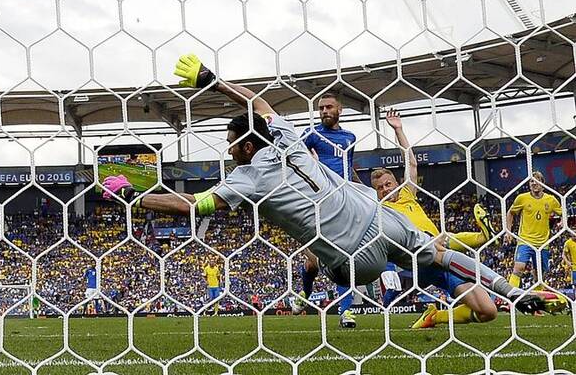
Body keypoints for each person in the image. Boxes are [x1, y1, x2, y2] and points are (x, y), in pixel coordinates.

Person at [101, 54, 552, 328]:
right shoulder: (290, 137)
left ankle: (348, 298)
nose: (228, 149)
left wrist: (132, 197)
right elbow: (259, 104)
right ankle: (513, 292)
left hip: (354, 260)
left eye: (231, 142)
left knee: (340, 272)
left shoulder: (248, 175)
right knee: (437, 251)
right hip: (380, 221)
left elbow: (190, 205)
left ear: (247, 144)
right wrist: (211, 80)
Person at [366, 109, 502, 328]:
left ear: (396, 182)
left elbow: (411, 163)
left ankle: (435, 317)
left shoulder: (407, 194)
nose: (385, 189)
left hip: (441, 256)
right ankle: (481, 237)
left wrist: (399, 130)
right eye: (379, 188)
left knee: (488, 311)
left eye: (388, 184)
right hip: (419, 257)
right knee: (439, 241)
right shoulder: (379, 209)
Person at [295, 91, 360, 326]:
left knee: (343, 256)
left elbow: (348, 166)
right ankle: (306, 292)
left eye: (329, 107)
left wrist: (361, 191)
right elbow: (294, 157)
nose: (324, 111)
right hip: (317, 199)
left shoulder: (349, 137)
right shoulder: (312, 134)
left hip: (343, 200)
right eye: (321, 108)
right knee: (312, 262)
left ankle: (346, 311)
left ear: (339, 110)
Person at [505, 172, 562, 293]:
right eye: (531, 181)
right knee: (519, 268)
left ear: (542, 184)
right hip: (525, 240)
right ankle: (509, 298)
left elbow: (564, 212)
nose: (534, 183)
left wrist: (562, 222)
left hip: (543, 242)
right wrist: (508, 232)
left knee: (539, 274)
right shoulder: (522, 198)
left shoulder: (551, 200)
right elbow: (510, 213)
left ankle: (538, 303)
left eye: (537, 181)